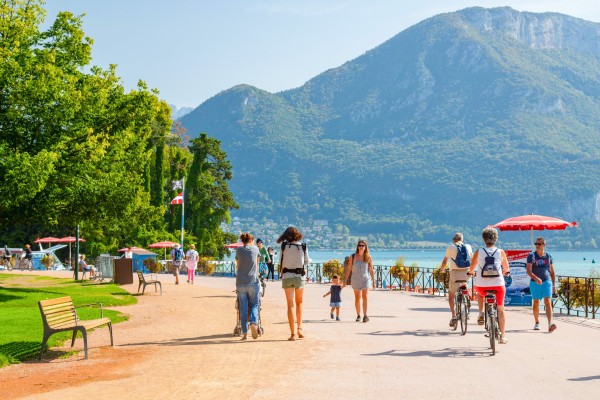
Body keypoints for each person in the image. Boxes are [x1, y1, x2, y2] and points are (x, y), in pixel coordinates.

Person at [468, 227, 510, 344]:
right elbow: (506, 267)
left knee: (481, 294)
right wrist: (506, 271)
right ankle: (502, 336)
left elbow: (472, 267)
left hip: (481, 285)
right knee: (501, 310)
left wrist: (471, 272)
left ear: (484, 239)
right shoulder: (500, 252)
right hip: (498, 285)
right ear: (495, 239)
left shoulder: (479, 251)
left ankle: (481, 313)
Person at [278, 226, 310, 341]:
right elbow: (306, 261)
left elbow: (280, 262)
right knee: (299, 303)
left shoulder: (284, 246)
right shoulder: (303, 246)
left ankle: (292, 334)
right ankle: (299, 329)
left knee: (290, 304)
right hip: (299, 276)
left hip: (287, 276)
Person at [440, 232, 474, 328]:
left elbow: (444, 261)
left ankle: (454, 316)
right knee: (465, 283)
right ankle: (467, 296)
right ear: (462, 239)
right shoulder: (468, 246)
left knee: (451, 295)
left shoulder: (451, 247)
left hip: (455, 273)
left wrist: (442, 269)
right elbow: (472, 259)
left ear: (454, 240)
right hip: (467, 272)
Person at [527, 237, 557, 332]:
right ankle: (537, 322)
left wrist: (554, 286)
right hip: (534, 282)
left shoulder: (548, 256)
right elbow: (528, 270)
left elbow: (552, 272)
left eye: (539, 244)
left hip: (547, 281)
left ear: (544, 245)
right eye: (536, 244)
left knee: (548, 301)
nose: (537, 246)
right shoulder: (531, 256)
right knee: (536, 303)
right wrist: (535, 278)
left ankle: (550, 323)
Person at [235, 232, 261, 340]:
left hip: (241, 282)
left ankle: (245, 334)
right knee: (254, 304)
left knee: (243, 308)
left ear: (242, 240)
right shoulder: (255, 249)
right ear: (251, 240)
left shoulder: (239, 250)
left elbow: (237, 264)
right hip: (253, 281)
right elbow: (257, 264)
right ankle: (253, 323)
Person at [344, 240, 375, 323]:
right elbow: (349, 269)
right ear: (357, 247)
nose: (361, 247)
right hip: (355, 279)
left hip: (366, 279)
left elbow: (371, 269)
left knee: (365, 296)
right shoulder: (353, 257)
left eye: (363, 245)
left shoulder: (368, 257)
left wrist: (374, 281)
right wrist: (345, 281)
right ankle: (358, 315)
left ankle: (365, 315)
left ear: (365, 247)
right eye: (360, 245)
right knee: (357, 298)